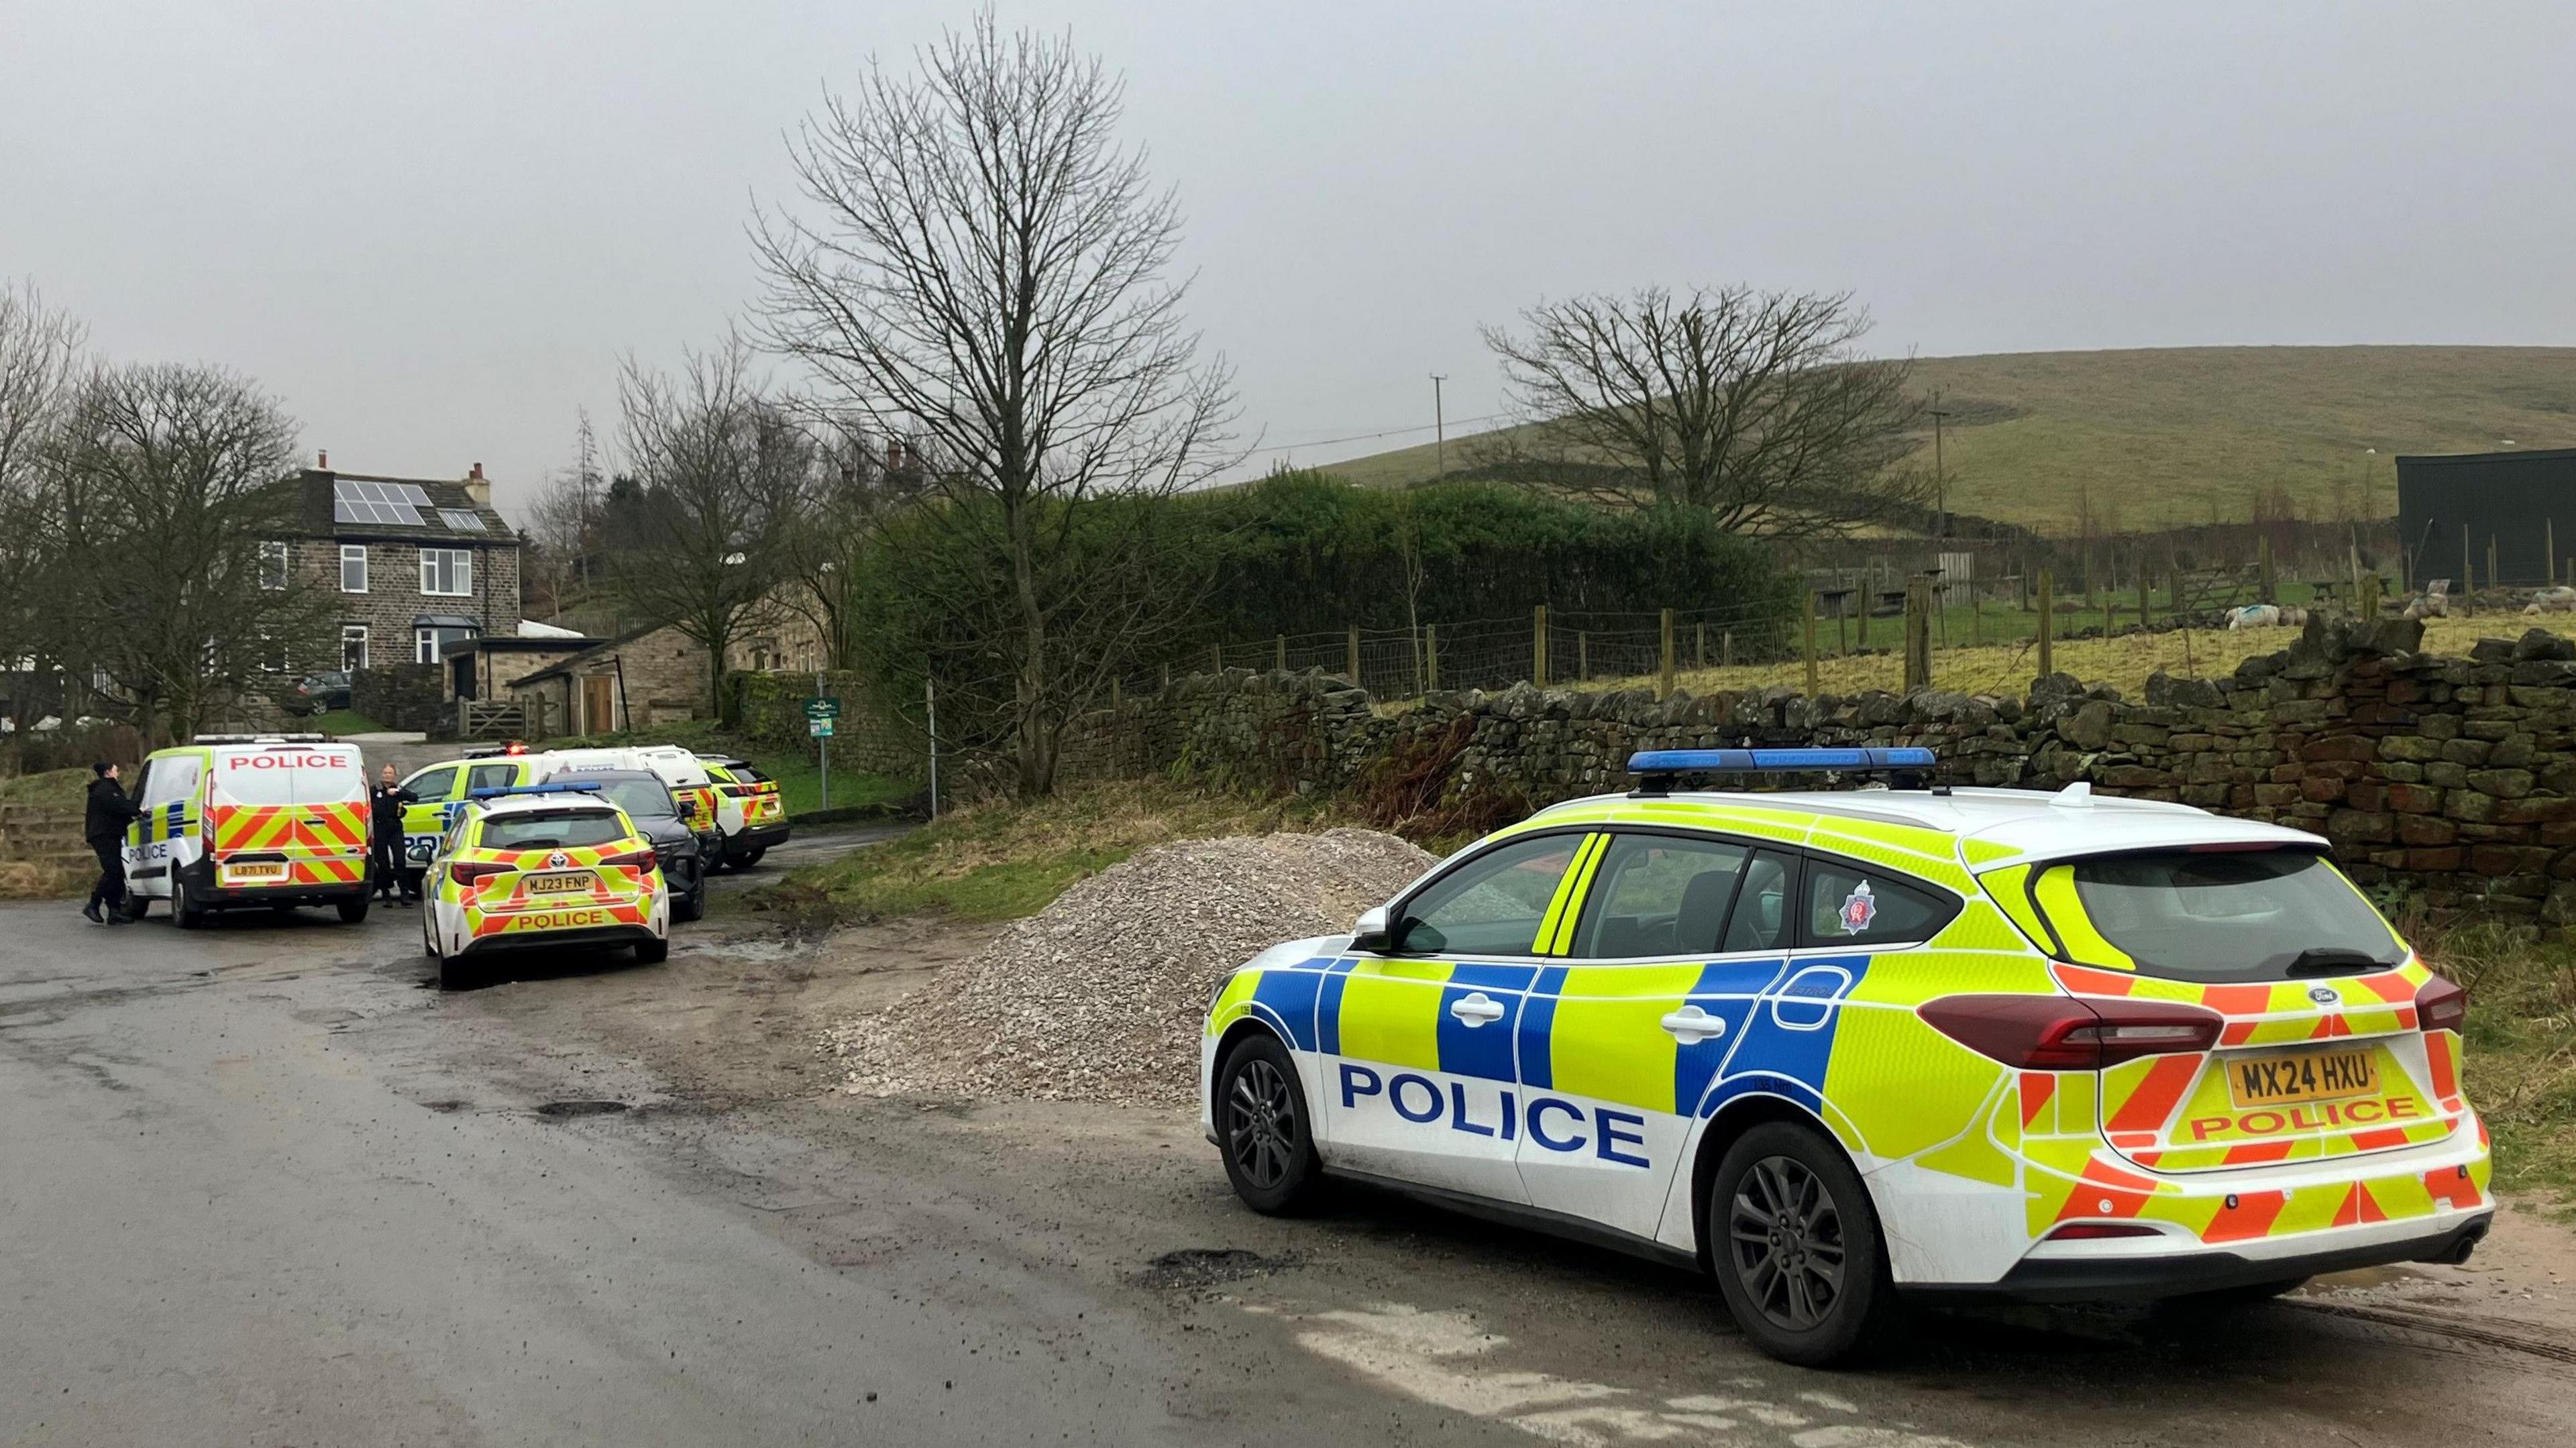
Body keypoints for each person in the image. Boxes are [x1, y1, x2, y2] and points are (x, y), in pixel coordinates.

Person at [82, 762, 142, 925]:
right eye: (116, 770)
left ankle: (114, 911)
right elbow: (119, 807)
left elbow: (116, 811)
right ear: (108, 773)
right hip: (103, 835)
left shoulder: (107, 788)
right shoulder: (106, 789)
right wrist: (139, 809)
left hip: (109, 834)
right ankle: (93, 904)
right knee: (113, 871)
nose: (118, 772)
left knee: (118, 872)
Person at [368, 763, 419, 904]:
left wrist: (397, 793)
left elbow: (415, 797)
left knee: (399, 861)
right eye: (385, 773)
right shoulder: (375, 790)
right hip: (380, 828)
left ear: (394, 775)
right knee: (383, 863)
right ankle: (386, 895)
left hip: (395, 828)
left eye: (390, 773)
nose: (387, 776)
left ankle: (404, 894)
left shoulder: (398, 790)